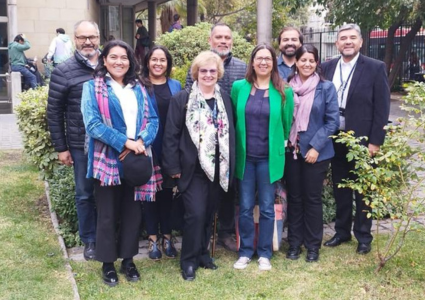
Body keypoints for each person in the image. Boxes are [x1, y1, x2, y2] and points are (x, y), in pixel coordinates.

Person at [81, 39, 159, 287]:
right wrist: (125, 142)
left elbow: (153, 120)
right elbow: (92, 124)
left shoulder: (139, 88)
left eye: (124, 57)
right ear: (104, 60)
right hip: (107, 160)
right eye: (113, 57)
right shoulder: (91, 88)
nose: (119, 61)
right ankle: (107, 264)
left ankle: (128, 260)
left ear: (130, 61)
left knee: (132, 213)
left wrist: (141, 140)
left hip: (136, 159)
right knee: (107, 214)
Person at [162, 51, 235, 281]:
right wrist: (173, 168)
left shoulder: (224, 99)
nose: (208, 74)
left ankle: (203, 254)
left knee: (209, 214)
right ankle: (188, 261)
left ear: (218, 74)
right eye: (203, 71)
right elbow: (171, 136)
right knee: (195, 214)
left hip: (217, 167)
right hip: (191, 168)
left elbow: (231, 133)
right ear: (196, 73)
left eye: (212, 71)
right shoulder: (182, 99)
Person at [321, 24, 390, 254]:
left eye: (352, 38)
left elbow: (382, 107)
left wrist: (376, 141)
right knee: (340, 188)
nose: (347, 42)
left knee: (363, 192)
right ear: (337, 43)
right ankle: (341, 232)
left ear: (361, 42)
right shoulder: (327, 67)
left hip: (363, 139)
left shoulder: (374, 67)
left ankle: (363, 237)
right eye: (343, 38)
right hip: (335, 138)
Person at [232, 44, 294, 271]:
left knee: (267, 207)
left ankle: (265, 253)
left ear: (273, 62)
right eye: (259, 58)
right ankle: (246, 251)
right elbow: (235, 120)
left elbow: (286, 125)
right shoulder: (239, 87)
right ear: (252, 61)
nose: (263, 62)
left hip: (269, 160)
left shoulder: (284, 91)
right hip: (245, 158)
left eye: (268, 58)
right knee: (246, 207)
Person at [185, 23, 247, 252]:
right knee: (204, 194)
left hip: (231, 140)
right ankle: (203, 237)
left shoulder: (243, 68)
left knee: (229, 190)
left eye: (227, 37)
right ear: (210, 40)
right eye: (218, 37)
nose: (223, 41)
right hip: (203, 143)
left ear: (232, 40)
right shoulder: (199, 65)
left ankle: (226, 233)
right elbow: (188, 103)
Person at [47, 20, 101, 261]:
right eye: (82, 37)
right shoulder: (63, 71)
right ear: (74, 39)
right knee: (84, 194)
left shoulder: (111, 64)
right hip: (81, 146)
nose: (87, 42)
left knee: (110, 192)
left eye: (92, 37)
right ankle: (89, 240)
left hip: (111, 144)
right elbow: (54, 112)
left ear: (99, 37)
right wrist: (62, 148)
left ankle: (108, 235)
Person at [285, 45, 339, 262]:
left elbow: (332, 121)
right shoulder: (287, 87)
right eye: (303, 60)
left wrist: (316, 147)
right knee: (295, 199)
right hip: (291, 151)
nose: (307, 64)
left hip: (316, 153)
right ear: (296, 62)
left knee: (312, 199)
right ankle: (295, 244)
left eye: (311, 60)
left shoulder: (326, 88)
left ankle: (313, 245)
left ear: (317, 63)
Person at [141, 45, 182, 260]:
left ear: (168, 63)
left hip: (170, 149)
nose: (158, 64)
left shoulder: (176, 85)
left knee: (167, 194)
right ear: (147, 62)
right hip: (147, 148)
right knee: (149, 196)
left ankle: (167, 236)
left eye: (163, 60)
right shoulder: (139, 86)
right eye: (154, 59)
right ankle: (152, 239)